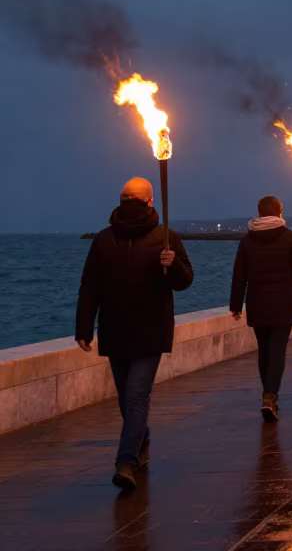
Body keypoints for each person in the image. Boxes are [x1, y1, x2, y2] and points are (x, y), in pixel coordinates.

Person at [76, 177, 194, 489]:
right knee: (127, 400)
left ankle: (125, 462)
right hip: (115, 330)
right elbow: (91, 287)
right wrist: (84, 328)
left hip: (150, 329)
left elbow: (184, 281)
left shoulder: (165, 239)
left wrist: (173, 265)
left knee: (137, 395)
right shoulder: (104, 240)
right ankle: (141, 439)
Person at [229, 195, 292, 421]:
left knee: (264, 350)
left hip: (258, 302)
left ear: (259, 212)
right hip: (283, 303)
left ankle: (267, 394)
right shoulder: (290, 238)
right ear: (279, 211)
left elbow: (239, 276)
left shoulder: (247, 241)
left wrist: (236, 305)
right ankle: (270, 395)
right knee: (277, 351)